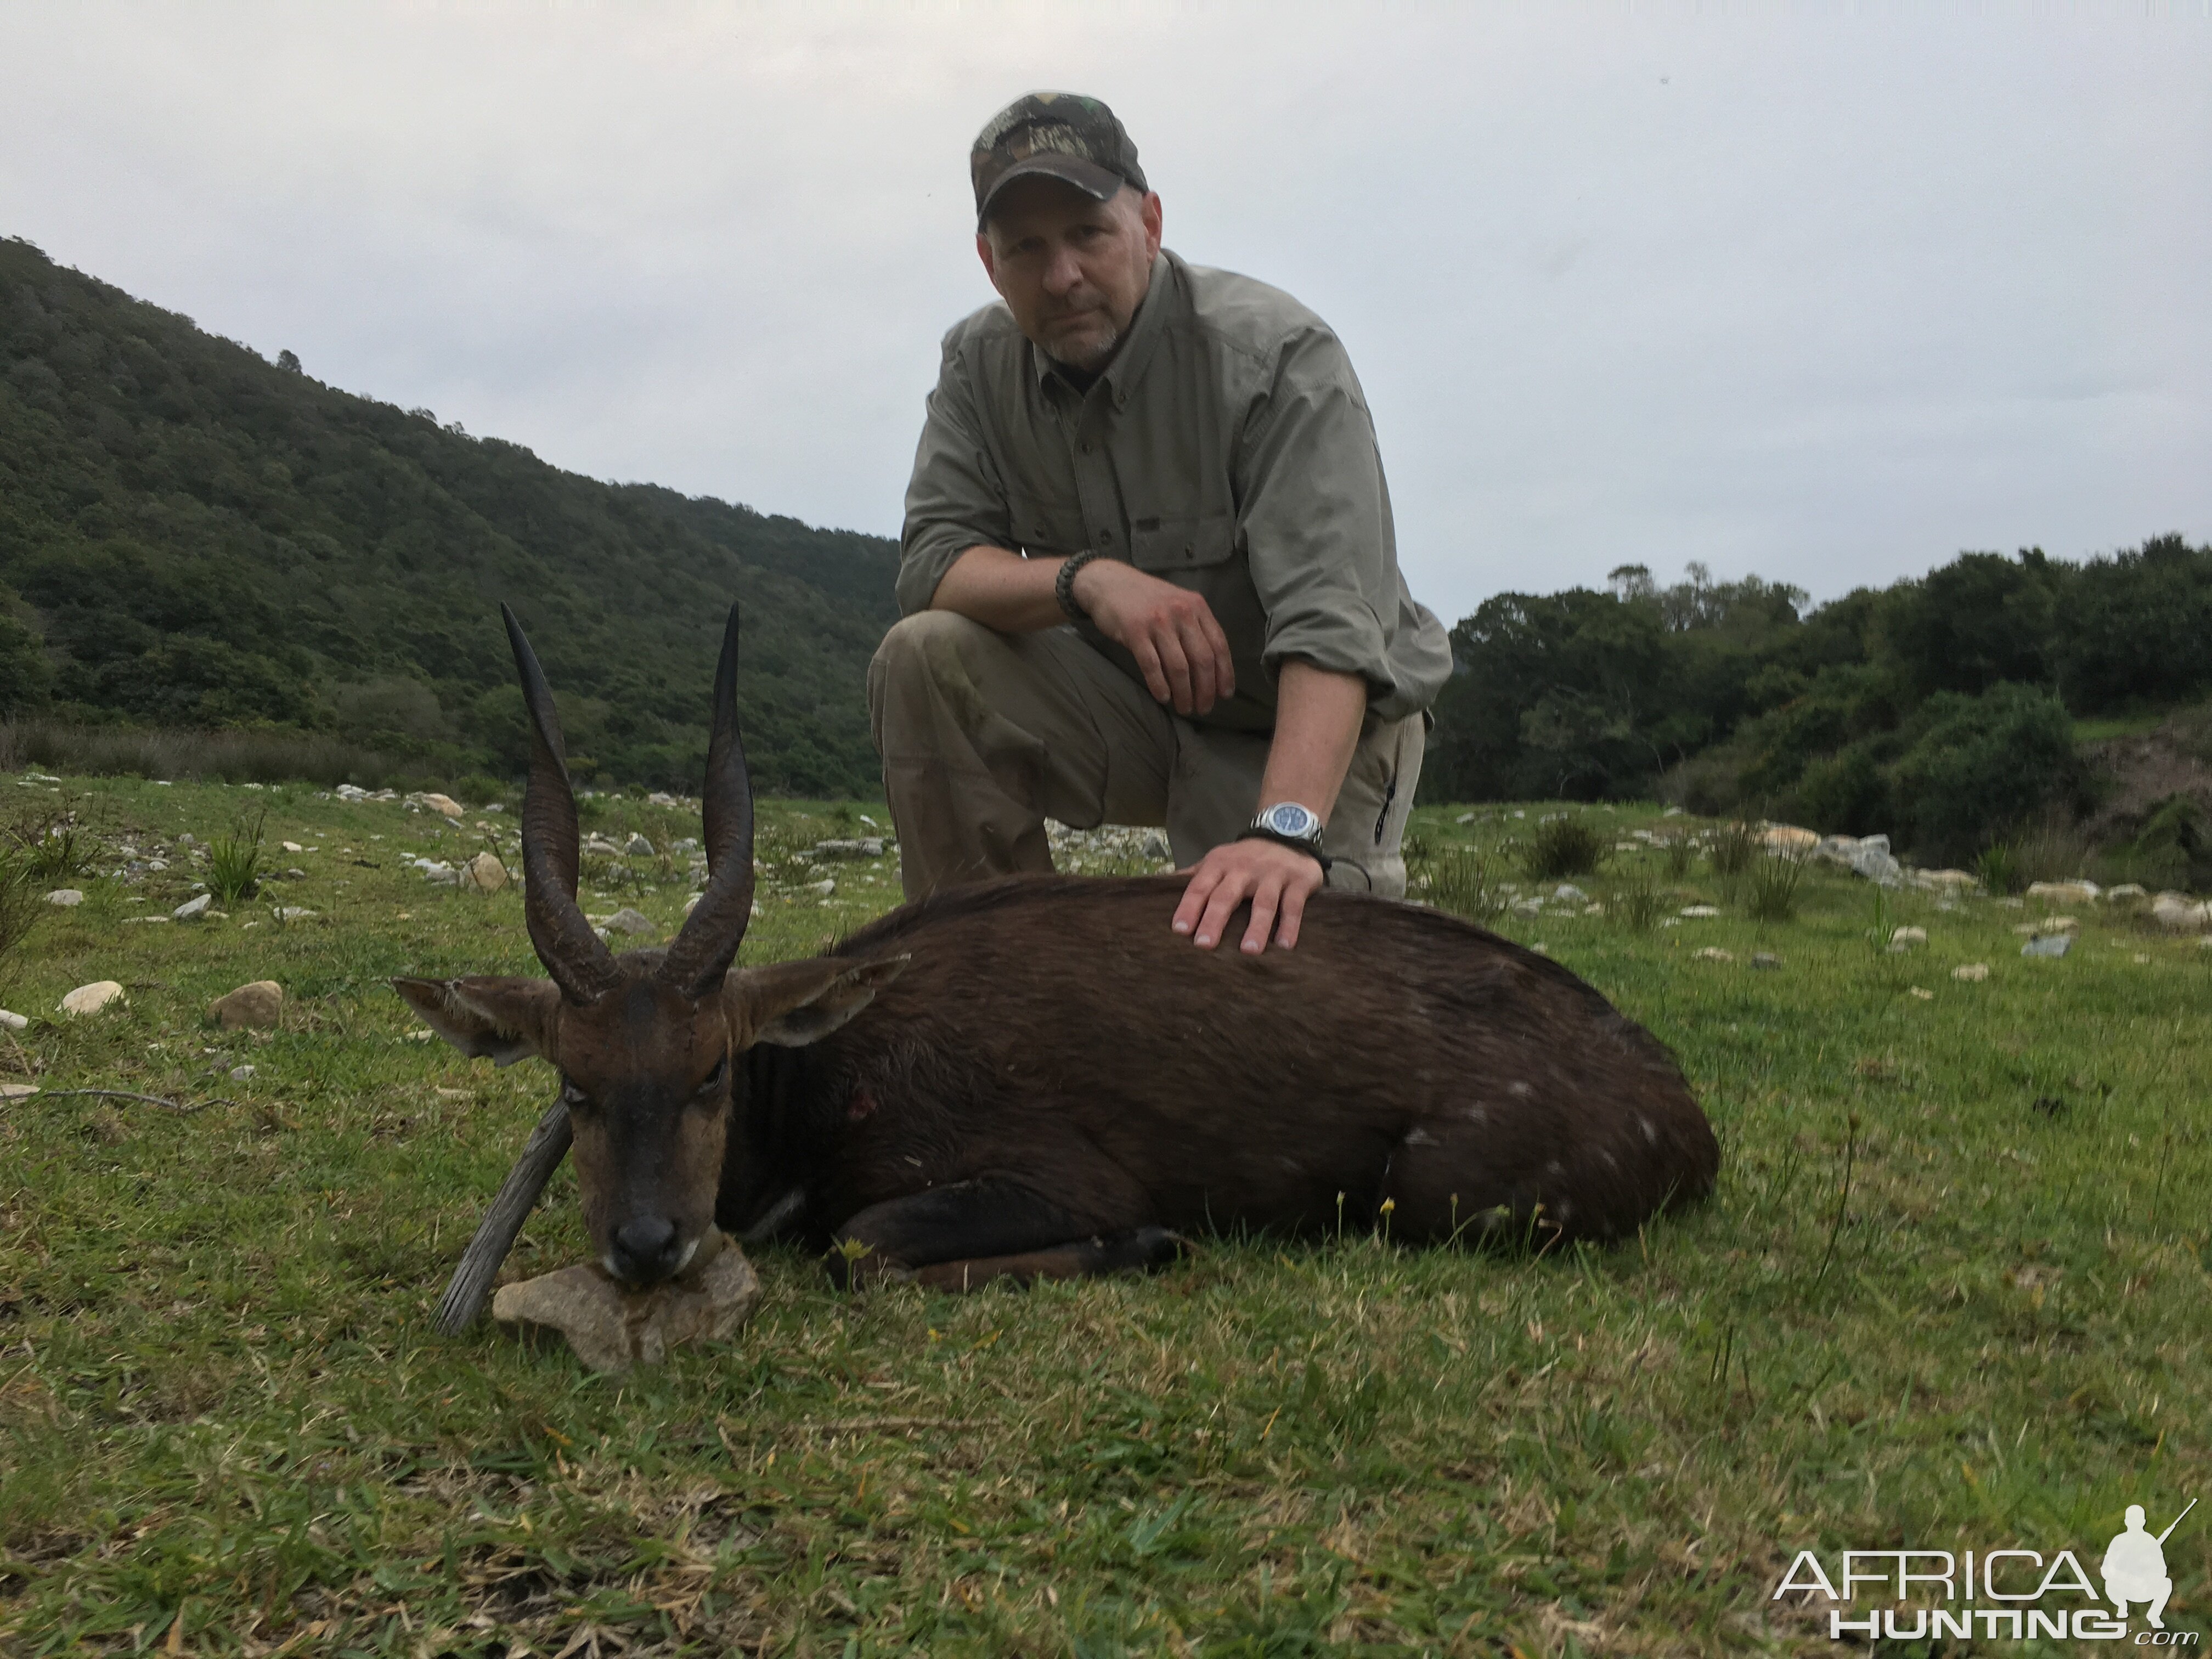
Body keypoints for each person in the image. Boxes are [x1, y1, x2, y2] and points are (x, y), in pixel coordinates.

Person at [871, 92, 1450, 955]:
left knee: (1252, 995)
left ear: (1149, 221)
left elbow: (1331, 627)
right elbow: (934, 564)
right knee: (922, 655)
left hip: (1304, 727)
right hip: (1136, 712)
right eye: (1026, 247)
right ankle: (990, 981)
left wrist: (1285, 833)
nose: (1061, 276)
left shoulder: (1279, 359)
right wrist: (1088, 583)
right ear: (991, 266)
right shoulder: (975, 365)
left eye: (1088, 234)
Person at [2102, 1505, 2174, 1628]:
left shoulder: (2150, 1541)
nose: (2135, 1523)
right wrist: (2124, 1576)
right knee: (2110, 1583)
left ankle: (2154, 1615)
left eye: (2138, 1520)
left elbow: (2162, 1570)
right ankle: (2122, 1606)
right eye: (2132, 1520)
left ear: (2144, 1522)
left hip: (2144, 1588)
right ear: (2126, 1522)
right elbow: (2106, 1569)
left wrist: (2147, 1569)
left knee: (2166, 1584)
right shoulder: (2118, 1541)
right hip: (2121, 1588)